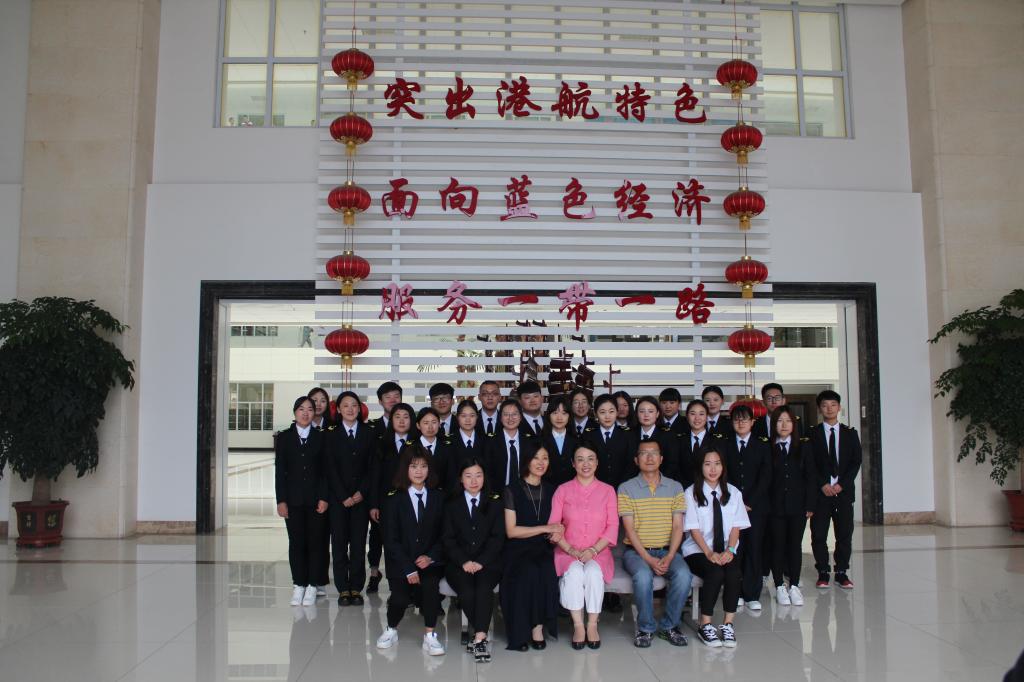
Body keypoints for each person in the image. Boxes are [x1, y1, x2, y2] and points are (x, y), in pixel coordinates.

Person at [618, 440, 693, 648]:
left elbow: (678, 527)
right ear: (636, 460)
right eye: (644, 453)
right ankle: (646, 628)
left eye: (654, 453)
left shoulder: (675, 487)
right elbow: (629, 530)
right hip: (636, 552)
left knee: (683, 575)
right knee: (643, 577)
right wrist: (649, 559)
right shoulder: (626, 488)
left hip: (667, 551)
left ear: (661, 459)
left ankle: (669, 626)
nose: (649, 458)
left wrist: (669, 556)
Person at [376, 444, 446, 656]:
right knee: (399, 598)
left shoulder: (438, 497)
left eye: (423, 466)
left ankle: (430, 635)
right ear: (405, 469)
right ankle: (391, 629)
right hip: (402, 563)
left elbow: (445, 535)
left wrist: (430, 557)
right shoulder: (393, 499)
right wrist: (408, 568)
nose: (418, 471)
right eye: (414, 466)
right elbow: (390, 539)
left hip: (430, 562)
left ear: (429, 469)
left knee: (431, 589)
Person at [550, 446, 618, 650]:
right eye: (580, 459)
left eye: (590, 459)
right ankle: (578, 625)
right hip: (567, 552)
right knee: (574, 574)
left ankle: (592, 625)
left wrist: (593, 550)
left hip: (599, 553)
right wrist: (570, 550)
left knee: (593, 574)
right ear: (573, 464)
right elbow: (553, 526)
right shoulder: (562, 490)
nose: (585, 464)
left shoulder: (608, 491)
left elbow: (612, 526)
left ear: (597, 462)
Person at [683, 446, 750, 648]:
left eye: (717, 464)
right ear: (700, 467)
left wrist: (730, 551)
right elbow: (693, 529)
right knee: (715, 572)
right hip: (698, 550)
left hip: (726, 548)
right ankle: (705, 625)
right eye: (707, 464)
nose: (713, 469)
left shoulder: (733, 492)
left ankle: (728, 624)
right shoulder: (691, 493)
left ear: (723, 467)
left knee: (733, 572)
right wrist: (709, 553)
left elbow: (736, 526)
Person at [442, 458, 504, 663]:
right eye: (468, 476)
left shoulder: (495, 503)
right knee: (467, 591)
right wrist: (464, 561)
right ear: (461, 479)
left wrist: (481, 562)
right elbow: (448, 539)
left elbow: (497, 538)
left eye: (478, 475)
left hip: (489, 562)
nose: (474, 480)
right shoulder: (451, 504)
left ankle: (478, 638)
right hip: (458, 563)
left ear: (484, 478)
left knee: (484, 589)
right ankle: (481, 636)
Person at [501, 446, 562, 652]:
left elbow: (560, 523)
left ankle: (538, 628)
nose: (541, 462)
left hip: (544, 546)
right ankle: (520, 631)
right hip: (517, 547)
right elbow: (511, 531)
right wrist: (545, 528)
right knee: (527, 571)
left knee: (545, 569)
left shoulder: (553, 490)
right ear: (527, 460)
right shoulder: (512, 490)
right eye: (536, 458)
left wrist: (557, 532)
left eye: (545, 458)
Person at [276, 396, 329, 606]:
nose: (305, 413)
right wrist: (281, 500)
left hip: (316, 500)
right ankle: (299, 584)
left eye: (310, 409)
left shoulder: (321, 437)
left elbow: (326, 472)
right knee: (296, 542)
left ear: (314, 413)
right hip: (293, 500)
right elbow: (280, 471)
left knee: (316, 543)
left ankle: (313, 585)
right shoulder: (284, 437)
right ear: (295, 412)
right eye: (301, 409)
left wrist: (324, 497)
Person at [324, 391, 375, 606]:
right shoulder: (330, 434)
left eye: (354, 405)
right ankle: (343, 588)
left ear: (360, 408)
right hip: (338, 500)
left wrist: (361, 492)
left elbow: (373, 467)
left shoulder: (369, 433)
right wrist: (343, 496)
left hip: (361, 500)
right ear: (338, 409)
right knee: (338, 544)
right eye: (345, 405)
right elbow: (329, 468)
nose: (350, 409)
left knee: (358, 544)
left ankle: (356, 586)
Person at [808, 390, 862, 590]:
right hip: (820, 493)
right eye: (824, 405)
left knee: (844, 534)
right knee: (818, 534)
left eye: (833, 405)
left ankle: (841, 572)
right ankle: (823, 571)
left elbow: (856, 462)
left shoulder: (850, 433)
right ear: (819, 408)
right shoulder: (812, 434)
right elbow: (809, 463)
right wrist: (822, 484)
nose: (829, 409)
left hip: (843, 493)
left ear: (839, 407)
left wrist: (842, 484)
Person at [723, 404, 772, 610]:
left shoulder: (762, 445)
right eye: (736, 419)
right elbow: (722, 475)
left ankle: (752, 594)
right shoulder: (725, 445)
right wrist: (736, 503)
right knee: (735, 548)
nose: (740, 422)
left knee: (754, 548)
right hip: (731, 507)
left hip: (756, 507)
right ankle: (736, 592)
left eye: (744, 419)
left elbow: (766, 476)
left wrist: (749, 502)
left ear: (753, 422)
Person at [768, 405, 816, 606]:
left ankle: (794, 585)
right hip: (774, 507)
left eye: (788, 421)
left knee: (795, 546)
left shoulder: (803, 446)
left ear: (794, 424)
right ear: (774, 424)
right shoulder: (768, 447)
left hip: (798, 506)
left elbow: (811, 477)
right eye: (780, 421)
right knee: (777, 546)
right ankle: (779, 585)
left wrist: (810, 504)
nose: (784, 425)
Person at [367, 402, 417, 593]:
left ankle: (413, 588)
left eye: (406, 417)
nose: (402, 421)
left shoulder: (418, 443)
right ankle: (396, 589)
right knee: (390, 545)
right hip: (387, 504)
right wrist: (373, 504)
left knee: (410, 543)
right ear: (391, 420)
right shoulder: (382, 443)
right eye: (397, 417)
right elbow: (374, 477)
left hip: (411, 502)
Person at [307, 387, 333, 597]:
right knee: (313, 537)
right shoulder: (302, 428)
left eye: (322, 400)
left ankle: (321, 578)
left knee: (326, 538)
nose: (318, 404)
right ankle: (311, 579)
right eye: (314, 400)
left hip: (334, 491)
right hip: (312, 492)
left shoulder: (333, 428)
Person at [485, 399, 537, 494]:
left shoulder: (529, 441)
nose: (510, 418)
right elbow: (487, 472)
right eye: (506, 414)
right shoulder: (490, 442)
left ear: (520, 417)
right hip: (498, 494)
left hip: (526, 493)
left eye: (514, 414)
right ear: (500, 418)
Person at [583, 393, 633, 488]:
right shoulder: (588, 435)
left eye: (611, 411)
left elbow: (631, 465)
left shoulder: (627, 434)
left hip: (623, 488)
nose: (607, 416)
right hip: (595, 487)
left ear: (617, 412)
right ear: (595, 414)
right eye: (602, 412)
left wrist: (623, 486)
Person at [632, 395, 682, 481]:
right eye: (642, 411)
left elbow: (672, 464)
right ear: (636, 414)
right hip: (634, 484)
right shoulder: (629, 435)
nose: (646, 415)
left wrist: (658, 482)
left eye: (650, 411)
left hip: (661, 483)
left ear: (658, 414)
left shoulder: (668, 435)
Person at [540, 395, 581, 486]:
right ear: (549, 415)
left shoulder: (577, 441)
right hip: (547, 489)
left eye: (564, 413)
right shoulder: (541, 440)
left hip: (572, 489)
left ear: (569, 416)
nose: (559, 418)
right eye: (555, 413)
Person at [678, 399, 715, 489]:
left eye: (701, 414)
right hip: (683, 490)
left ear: (707, 417)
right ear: (687, 416)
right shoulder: (678, 440)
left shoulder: (717, 441)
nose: (697, 418)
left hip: (709, 489)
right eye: (693, 414)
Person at [416, 406, 452, 492]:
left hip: (443, 495)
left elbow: (451, 476)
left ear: (439, 424)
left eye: (434, 422)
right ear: (418, 425)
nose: (430, 427)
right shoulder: (411, 448)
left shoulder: (447, 448)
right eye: (426, 423)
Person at [450, 400, 485, 483]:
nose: (468, 420)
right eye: (463, 416)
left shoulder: (485, 440)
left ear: (477, 417)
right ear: (457, 417)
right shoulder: (449, 442)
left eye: (472, 416)